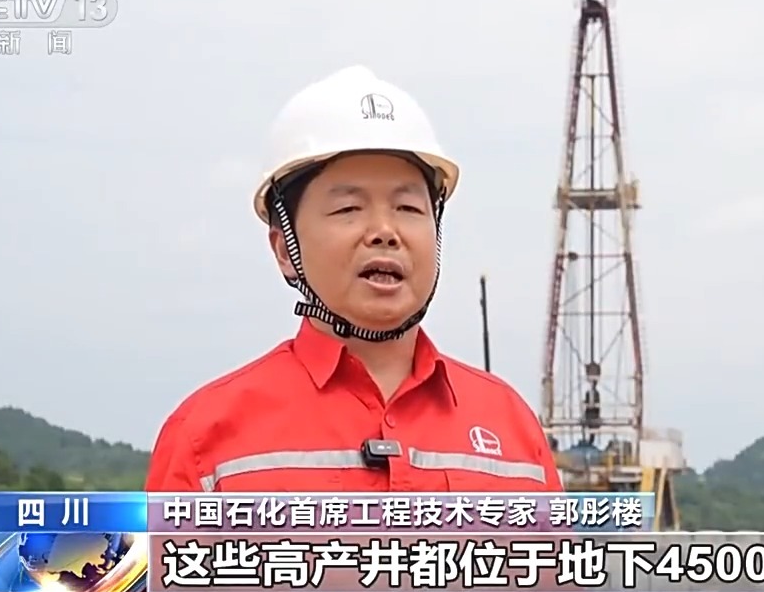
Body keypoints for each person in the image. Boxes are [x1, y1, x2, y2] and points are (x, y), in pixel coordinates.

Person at [146, 66, 563, 494]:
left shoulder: (513, 431)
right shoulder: (205, 442)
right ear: (285, 249)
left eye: (408, 208)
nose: (385, 231)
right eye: (348, 209)